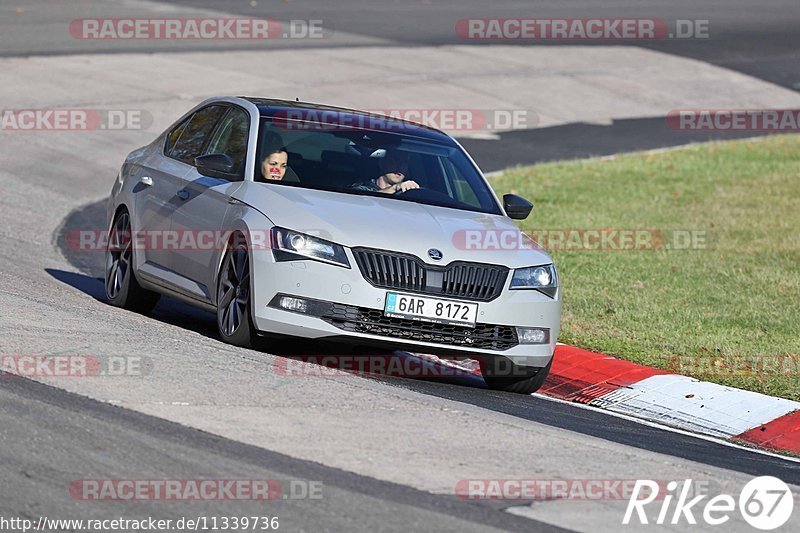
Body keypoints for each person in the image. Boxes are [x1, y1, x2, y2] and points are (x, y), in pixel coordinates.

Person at [351, 149, 420, 194]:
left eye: (405, 162)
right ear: (382, 163)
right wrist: (394, 188)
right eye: (396, 160)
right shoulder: (362, 187)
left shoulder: (411, 193)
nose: (400, 166)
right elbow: (359, 201)